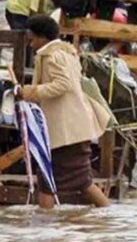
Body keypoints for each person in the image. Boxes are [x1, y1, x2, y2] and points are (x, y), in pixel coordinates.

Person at [20, 15, 110, 209]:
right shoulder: (66, 53)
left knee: (63, 179)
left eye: (32, 38)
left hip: (67, 129)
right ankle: (105, 214)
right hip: (71, 127)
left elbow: (63, 84)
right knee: (66, 178)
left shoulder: (53, 56)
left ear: (43, 37)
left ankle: (46, 224)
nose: (30, 44)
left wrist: (30, 92)